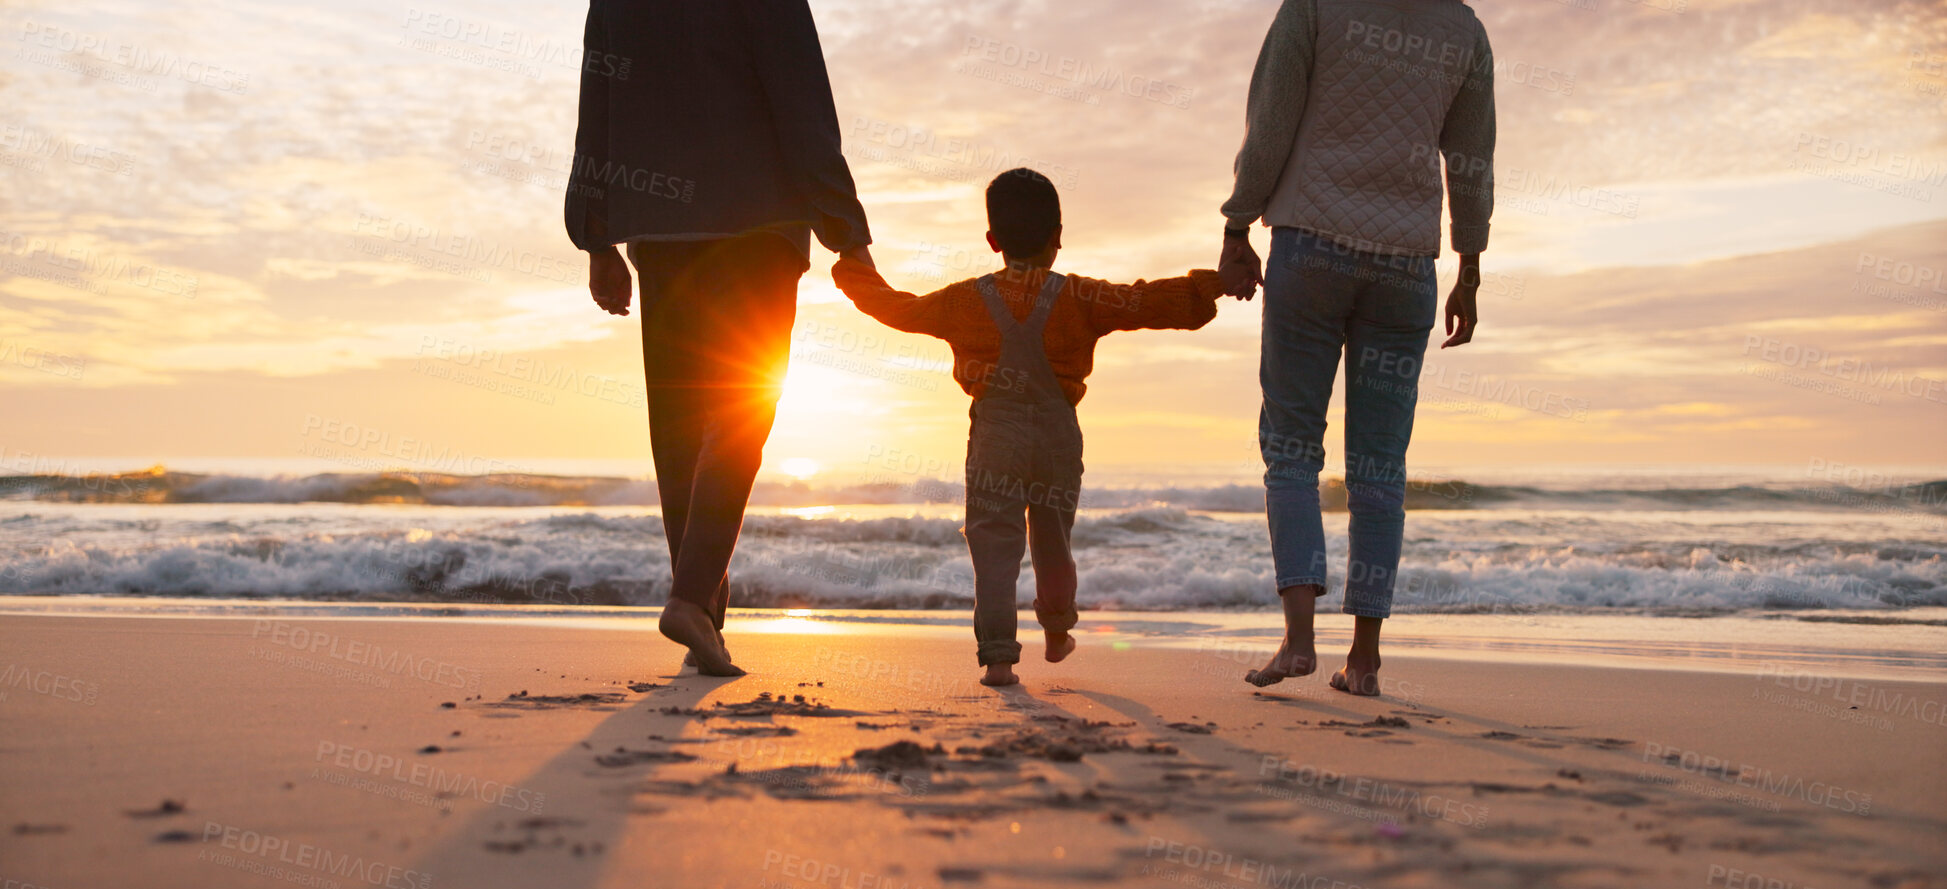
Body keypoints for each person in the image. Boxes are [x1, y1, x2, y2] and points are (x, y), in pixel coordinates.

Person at [565, 0, 873, 675]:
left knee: (678, 430)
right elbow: (802, 108)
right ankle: (689, 600)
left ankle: (703, 614)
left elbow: (598, 112)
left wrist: (597, 240)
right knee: (737, 418)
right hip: (758, 227)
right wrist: (847, 235)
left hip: (660, 231)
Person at [833, 169, 1227, 686]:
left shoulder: (961, 301)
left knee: (994, 540)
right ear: (1057, 237)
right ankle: (1058, 632)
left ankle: (999, 659)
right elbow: (1146, 302)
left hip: (996, 432)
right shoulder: (1081, 297)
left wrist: (852, 267)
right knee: (1052, 538)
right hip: (1058, 433)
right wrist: (1216, 284)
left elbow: (898, 308)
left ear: (993, 240)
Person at [1216, 0, 1496, 695]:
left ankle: (1297, 640)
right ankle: (1363, 659)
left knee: (1290, 449)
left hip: (1310, 245)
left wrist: (1236, 224)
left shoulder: (1314, 7)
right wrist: (1469, 265)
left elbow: (1271, 120)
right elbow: (1470, 161)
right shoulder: (1462, 29)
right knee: (1379, 468)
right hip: (1405, 265)